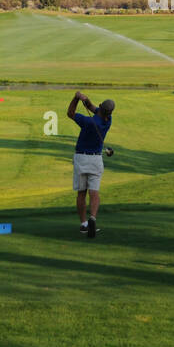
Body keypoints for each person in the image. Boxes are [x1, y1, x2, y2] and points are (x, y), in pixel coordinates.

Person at [68, 91, 114, 238]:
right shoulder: (108, 120)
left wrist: (76, 98)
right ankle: (92, 218)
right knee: (94, 192)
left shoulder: (87, 121)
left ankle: (83, 224)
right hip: (96, 160)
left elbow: (70, 113)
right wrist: (85, 99)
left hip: (81, 158)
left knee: (81, 193)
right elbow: (92, 107)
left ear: (101, 107)